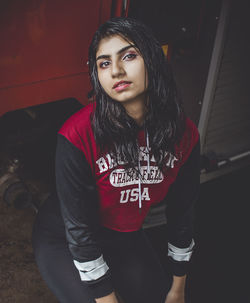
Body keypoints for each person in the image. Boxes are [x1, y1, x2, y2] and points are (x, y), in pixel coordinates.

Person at [32, 17, 200, 303]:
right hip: (65, 239)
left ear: (153, 59)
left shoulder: (185, 135)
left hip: (125, 236)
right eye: (104, 63)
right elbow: (80, 232)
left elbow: (182, 214)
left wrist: (178, 286)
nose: (117, 71)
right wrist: (105, 297)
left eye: (129, 56)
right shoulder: (77, 134)